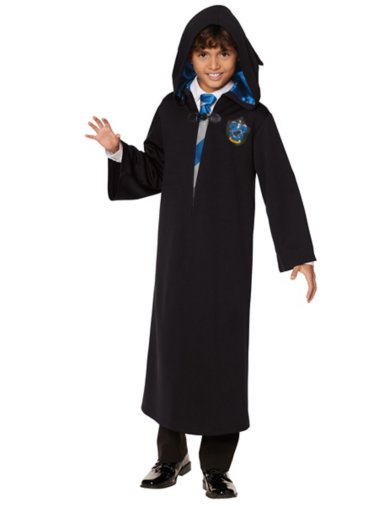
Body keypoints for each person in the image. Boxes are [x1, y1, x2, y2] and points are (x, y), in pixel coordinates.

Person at [85, 5, 317, 500]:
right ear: (189, 58)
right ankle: (171, 456)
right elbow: (153, 172)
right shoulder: (172, 110)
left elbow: (279, 184)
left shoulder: (252, 118)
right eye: (204, 53)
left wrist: (298, 251)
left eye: (224, 54)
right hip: (176, 256)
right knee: (172, 349)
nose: (214, 64)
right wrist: (116, 150)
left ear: (239, 58)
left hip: (227, 259)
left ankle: (216, 465)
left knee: (221, 352)